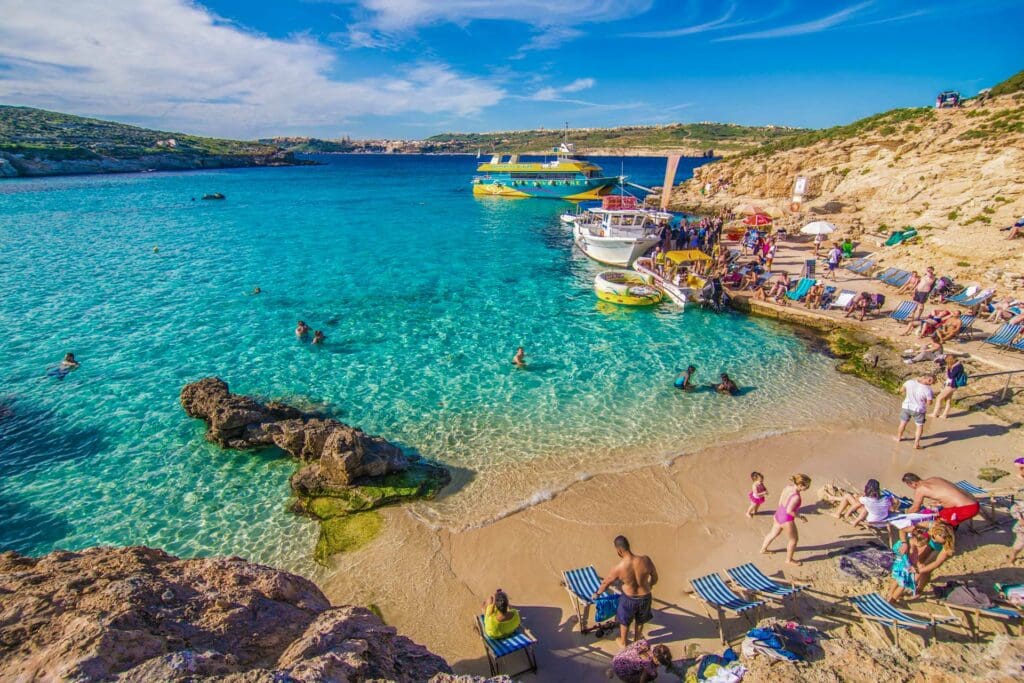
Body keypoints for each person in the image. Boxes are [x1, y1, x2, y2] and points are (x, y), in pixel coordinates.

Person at [593, 536, 658, 648]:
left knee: (624, 620)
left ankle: (623, 642)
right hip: (645, 596)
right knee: (640, 619)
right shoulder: (646, 560)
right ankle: (637, 640)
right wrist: (650, 585)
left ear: (619, 550)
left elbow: (606, 583)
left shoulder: (618, 568)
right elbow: (655, 577)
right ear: (628, 546)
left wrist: (597, 594)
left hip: (629, 598)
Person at [760, 474, 811, 566]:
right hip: (786, 519)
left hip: (778, 513)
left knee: (773, 533)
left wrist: (780, 512)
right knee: (794, 540)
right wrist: (800, 516)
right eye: (806, 486)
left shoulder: (787, 487)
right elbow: (789, 511)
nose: (807, 488)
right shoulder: (796, 497)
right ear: (800, 485)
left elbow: (780, 502)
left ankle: (763, 549)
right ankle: (789, 560)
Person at [902, 473, 980, 528]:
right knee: (940, 514)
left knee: (938, 524)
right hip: (973, 501)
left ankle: (947, 543)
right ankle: (953, 527)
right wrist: (941, 502)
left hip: (967, 508)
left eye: (909, 486)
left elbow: (915, 508)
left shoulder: (920, 489)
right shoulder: (934, 479)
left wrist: (904, 516)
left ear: (912, 483)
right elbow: (949, 492)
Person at [886, 525, 932, 603]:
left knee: (897, 580)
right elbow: (911, 561)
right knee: (903, 585)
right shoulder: (911, 550)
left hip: (898, 567)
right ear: (915, 540)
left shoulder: (903, 543)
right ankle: (892, 600)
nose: (923, 546)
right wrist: (915, 567)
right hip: (905, 569)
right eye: (922, 545)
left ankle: (890, 594)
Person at [913, 520, 956, 594]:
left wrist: (919, 571)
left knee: (926, 569)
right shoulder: (932, 525)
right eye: (934, 537)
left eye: (939, 541)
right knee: (919, 560)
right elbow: (913, 526)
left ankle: (919, 589)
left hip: (939, 549)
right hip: (930, 543)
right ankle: (914, 582)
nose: (935, 541)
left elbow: (936, 563)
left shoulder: (948, 549)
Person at [831, 479, 896, 525]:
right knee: (861, 503)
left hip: (871, 519)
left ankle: (837, 514)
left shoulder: (865, 500)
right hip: (883, 518)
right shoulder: (886, 498)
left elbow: (858, 499)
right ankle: (834, 499)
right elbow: (893, 506)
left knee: (848, 496)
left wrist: (859, 495)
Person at [895, 375, 934, 449]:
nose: (931, 383)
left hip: (906, 406)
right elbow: (929, 403)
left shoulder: (909, 382)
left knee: (902, 423)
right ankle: (916, 444)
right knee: (919, 426)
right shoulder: (928, 390)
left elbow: (901, 390)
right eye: (930, 381)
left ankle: (898, 437)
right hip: (919, 410)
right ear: (924, 378)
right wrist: (925, 400)